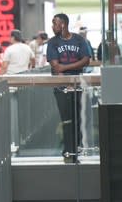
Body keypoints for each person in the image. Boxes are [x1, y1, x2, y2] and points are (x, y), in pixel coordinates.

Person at [47, 13, 91, 163]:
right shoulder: (52, 42)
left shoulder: (79, 40)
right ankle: (68, 150)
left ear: (63, 24)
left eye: (55, 24)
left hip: (78, 85)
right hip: (61, 87)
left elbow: (86, 60)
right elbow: (55, 65)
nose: (53, 27)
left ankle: (77, 148)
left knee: (78, 117)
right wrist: (69, 67)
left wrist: (65, 67)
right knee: (66, 119)